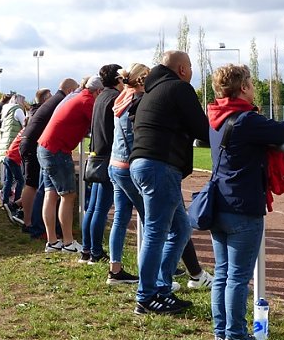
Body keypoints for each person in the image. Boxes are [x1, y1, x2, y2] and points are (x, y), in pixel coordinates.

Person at [206, 63, 284, 340]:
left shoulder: (213, 117)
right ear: (243, 87)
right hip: (242, 206)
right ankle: (235, 337)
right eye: (251, 83)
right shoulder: (247, 120)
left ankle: (221, 335)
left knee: (222, 274)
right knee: (236, 277)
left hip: (218, 202)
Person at [129, 50, 209, 315]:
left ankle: (161, 289)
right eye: (191, 68)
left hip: (145, 165)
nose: (192, 73)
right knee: (156, 232)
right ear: (183, 69)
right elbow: (202, 129)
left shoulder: (151, 91)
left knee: (180, 229)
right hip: (159, 167)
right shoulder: (178, 88)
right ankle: (147, 295)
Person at [37, 76, 103, 253]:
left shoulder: (77, 97)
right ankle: (68, 242)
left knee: (51, 194)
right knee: (68, 195)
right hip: (57, 150)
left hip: (45, 146)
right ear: (98, 91)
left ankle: (52, 241)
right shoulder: (87, 101)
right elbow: (99, 125)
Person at [106, 63, 149, 285]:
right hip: (128, 166)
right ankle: (154, 271)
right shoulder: (138, 101)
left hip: (115, 164)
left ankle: (115, 268)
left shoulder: (121, 98)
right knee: (151, 219)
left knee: (121, 217)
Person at [80, 64, 123, 264]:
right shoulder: (114, 97)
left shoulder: (100, 97)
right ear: (118, 79)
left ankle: (87, 250)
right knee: (99, 209)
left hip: (97, 155)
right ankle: (96, 252)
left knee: (93, 207)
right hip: (107, 157)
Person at [20, 85, 74, 238]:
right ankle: (31, 223)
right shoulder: (57, 102)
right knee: (35, 186)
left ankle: (32, 223)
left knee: (40, 187)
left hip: (34, 145)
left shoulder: (37, 109)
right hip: (37, 146)